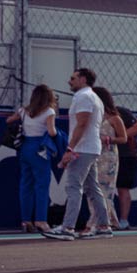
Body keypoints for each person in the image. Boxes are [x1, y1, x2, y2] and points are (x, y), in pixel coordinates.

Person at [44, 68, 114, 241]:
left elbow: (82, 124)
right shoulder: (94, 97)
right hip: (90, 148)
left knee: (73, 186)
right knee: (92, 188)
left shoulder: (83, 97)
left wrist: (70, 149)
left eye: (72, 78)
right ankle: (104, 226)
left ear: (83, 79)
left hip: (83, 148)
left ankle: (67, 228)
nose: (69, 81)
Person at [76, 86, 127, 237]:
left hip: (108, 158)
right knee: (92, 189)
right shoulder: (94, 116)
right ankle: (104, 222)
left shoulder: (114, 118)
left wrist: (109, 139)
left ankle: (94, 223)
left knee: (105, 191)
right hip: (94, 155)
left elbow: (123, 138)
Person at [9, 84, 58, 234]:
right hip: (40, 148)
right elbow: (52, 132)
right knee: (42, 185)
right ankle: (41, 220)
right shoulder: (49, 111)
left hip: (25, 147)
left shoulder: (24, 110)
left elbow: (9, 120)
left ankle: (26, 221)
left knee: (26, 184)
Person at [113, 99, 137, 230]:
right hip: (108, 155)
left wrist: (120, 137)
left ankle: (123, 220)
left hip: (126, 154)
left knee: (123, 187)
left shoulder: (120, 112)